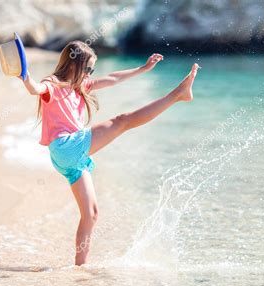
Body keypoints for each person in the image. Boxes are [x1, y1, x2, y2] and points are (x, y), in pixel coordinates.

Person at [20, 40, 199, 265]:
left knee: (91, 214)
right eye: (87, 69)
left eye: (91, 70)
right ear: (73, 64)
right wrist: (25, 77)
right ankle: (177, 95)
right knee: (123, 121)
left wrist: (143, 69)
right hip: (67, 146)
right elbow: (35, 89)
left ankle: (80, 267)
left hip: (68, 158)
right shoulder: (53, 83)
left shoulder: (80, 86)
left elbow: (113, 78)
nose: (89, 74)